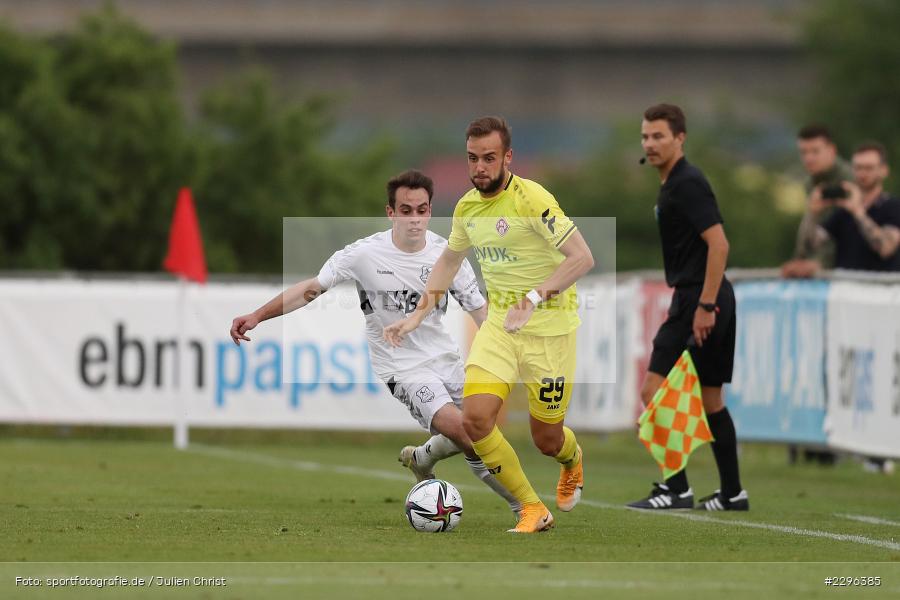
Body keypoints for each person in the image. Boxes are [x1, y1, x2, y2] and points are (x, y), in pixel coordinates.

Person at [229, 169, 522, 516]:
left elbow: (479, 312)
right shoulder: (364, 254)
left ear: (430, 211)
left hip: (446, 358)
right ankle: (523, 508)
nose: (415, 219)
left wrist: (504, 352)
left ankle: (422, 457)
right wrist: (258, 315)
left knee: (479, 429)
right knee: (466, 433)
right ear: (390, 212)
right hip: (401, 366)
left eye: (422, 209)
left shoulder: (449, 255)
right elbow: (310, 289)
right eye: (406, 210)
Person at [384, 116, 595, 533]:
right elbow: (449, 261)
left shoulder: (532, 200)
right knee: (477, 420)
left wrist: (533, 298)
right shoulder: (466, 207)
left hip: (550, 332)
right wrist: (418, 313)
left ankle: (572, 460)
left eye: (488, 158)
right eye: (472, 158)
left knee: (547, 440)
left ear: (507, 158)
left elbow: (582, 258)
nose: (479, 167)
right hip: (500, 327)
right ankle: (532, 508)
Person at [628, 103, 749, 511]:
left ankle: (676, 488)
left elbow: (720, 244)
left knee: (652, 389)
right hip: (703, 297)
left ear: (680, 138)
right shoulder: (672, 184)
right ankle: (733, 493)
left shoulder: (687, 183)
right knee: (712, 399)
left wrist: (706, 305)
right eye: (646, 136)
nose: (651, 143)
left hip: (701, 298)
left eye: (659, 135)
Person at [794, 141, 900, 475]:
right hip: (849, 304)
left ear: (883, 171)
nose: (862, 174)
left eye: (869, 167)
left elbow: (885, 247)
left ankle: (882, 451)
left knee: (885, 376)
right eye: (857, 167)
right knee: (851, 375)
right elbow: (810, 245)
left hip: (884, 303)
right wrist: (812, 212)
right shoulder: (839, 212)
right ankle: (854, 443)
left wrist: (858, 212)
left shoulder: (890, 208)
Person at [781, 124, 853, 279]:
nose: (809, 158)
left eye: (815, 151)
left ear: (831, 150)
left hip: (848, 268)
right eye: (804, 152)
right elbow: (815, 226)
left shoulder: (850, 179)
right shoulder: (811, 183)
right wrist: (800, 260)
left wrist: (819, 263)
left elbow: (842, 231)